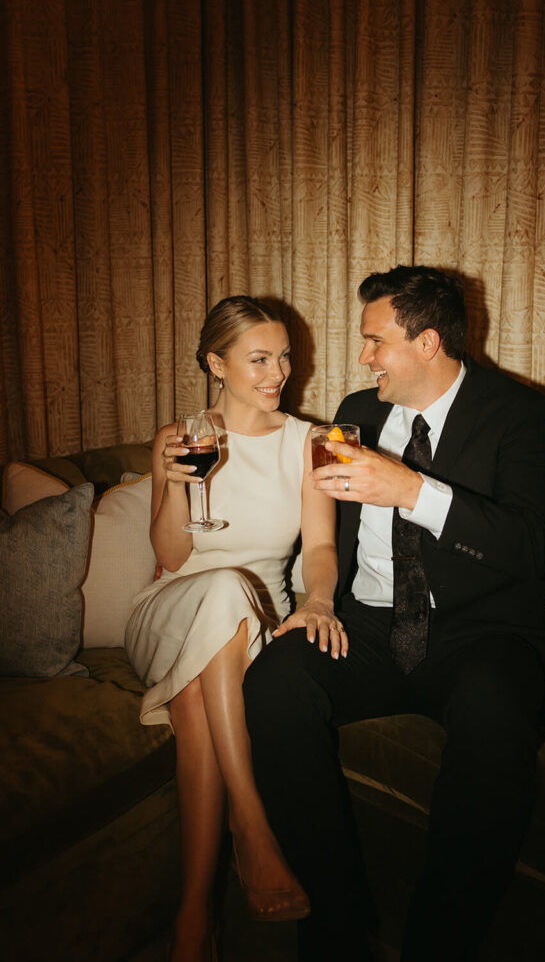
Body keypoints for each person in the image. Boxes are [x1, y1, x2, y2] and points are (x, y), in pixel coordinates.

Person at [243, 265, 545, 961]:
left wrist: (412, 490)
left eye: (374, 341)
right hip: (365, 621)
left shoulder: (519, 413)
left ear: (426, 342)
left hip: (476, 632)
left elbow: (532, 545)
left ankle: (437, 943)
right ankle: (336, 921)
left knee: (496, 712)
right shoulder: (357, 410)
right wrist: (318, 599)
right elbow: (324, 530)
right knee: (273, 681)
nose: (363, 357)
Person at [125, 296, 344, 962]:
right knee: (218, 587)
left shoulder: (313, 441)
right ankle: (251, 826)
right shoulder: (181, 434)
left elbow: (321, 550)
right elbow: (169, 556)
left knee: (196, 703)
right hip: (168, 609)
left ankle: (193, 918)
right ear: (215, 364)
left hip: (257, 619)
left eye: (283, 356)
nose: (277, 371)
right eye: (258, 359)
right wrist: (181, 487)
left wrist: (322, 601)